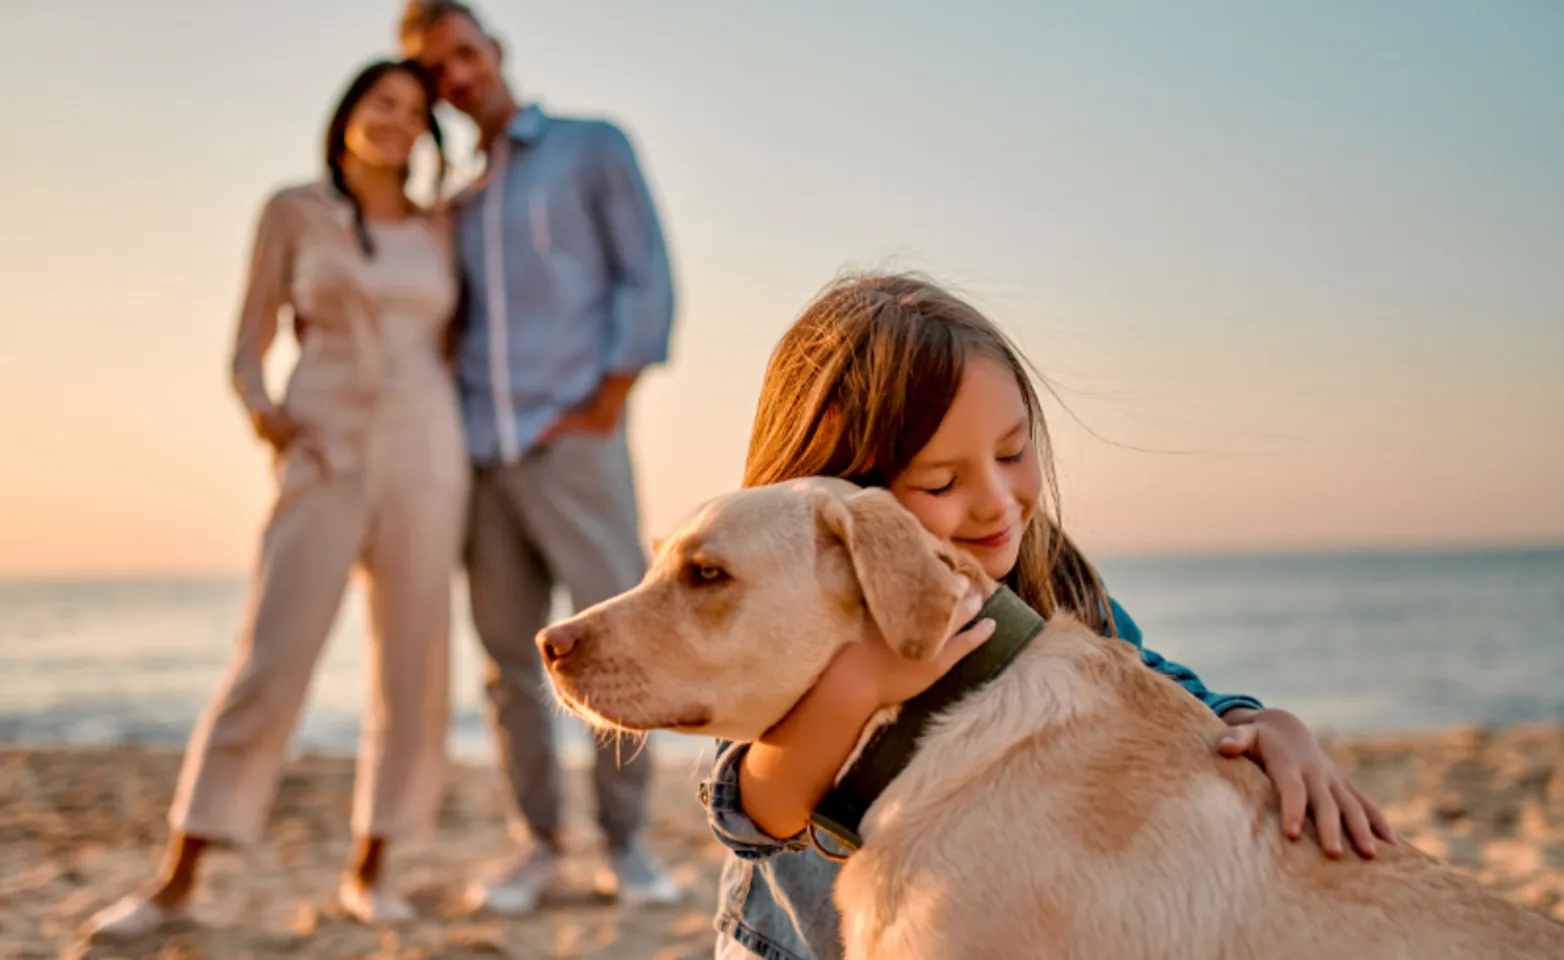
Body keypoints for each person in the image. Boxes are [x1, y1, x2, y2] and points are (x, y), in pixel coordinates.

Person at [701, 273, 1398, 960]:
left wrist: (1267, 725)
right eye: (942, 482)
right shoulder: (787, 612)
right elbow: (754, 816)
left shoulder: (1046, 585)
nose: (998, 503)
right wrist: (856, 688)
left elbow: (1156, 697)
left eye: (1012, 452)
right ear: (842, 489)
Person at [81, 58, 468, 941]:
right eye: (384, 103)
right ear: (348, 116)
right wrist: (271, 422)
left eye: (415, 111)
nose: (400, 120)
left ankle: (371, 870)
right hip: (325, 443)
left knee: (412, 666)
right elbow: (248, 345)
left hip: (428, 452)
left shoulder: (442, 227)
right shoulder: (295, 210)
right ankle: (176, 880)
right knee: (271, 656)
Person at [397, 0, 680, 914]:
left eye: (465, 54)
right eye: (438, 70)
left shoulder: (593, 147)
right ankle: (540, 845)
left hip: (576, 443)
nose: (459, 76)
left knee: (625, 641)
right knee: (506, 660)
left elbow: (646, 273)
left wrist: (607, 402)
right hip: (483, 459)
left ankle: (628, 845)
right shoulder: (457, 203)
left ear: (495, 51)